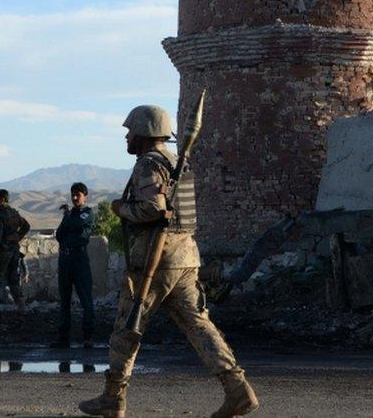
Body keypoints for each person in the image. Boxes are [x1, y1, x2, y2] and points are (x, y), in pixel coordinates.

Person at [79, 105, 258, 418]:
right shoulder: (178, 162)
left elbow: (152, 210)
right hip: (186, 258)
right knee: (199, 326)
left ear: (146, 134)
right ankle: (237, 389)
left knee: (127, 328)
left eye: (131, 131)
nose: (127, 137)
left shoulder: (148, 164)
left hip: (154, 261)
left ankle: (113, 396)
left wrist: (120, 209)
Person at [50, 182, 96, 348]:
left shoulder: (87, 213)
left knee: (85, 298)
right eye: (73, 195)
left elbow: (76, 226)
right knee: (65, 299)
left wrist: (68, 216)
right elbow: (60, 235)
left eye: (78, 195)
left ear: (85, 196)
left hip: (79, 259)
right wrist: (67, 217)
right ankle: (63, 338)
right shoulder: (69, 215)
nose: (75, 198)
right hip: (65, 260)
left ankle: (88, 337)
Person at [0, 189, 30, 319]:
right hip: (14, 251)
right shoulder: (14, 213)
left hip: (2, 252)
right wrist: (16, 238)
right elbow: (26, 226)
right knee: (13, 279)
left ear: (2, 200)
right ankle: (22, 307)